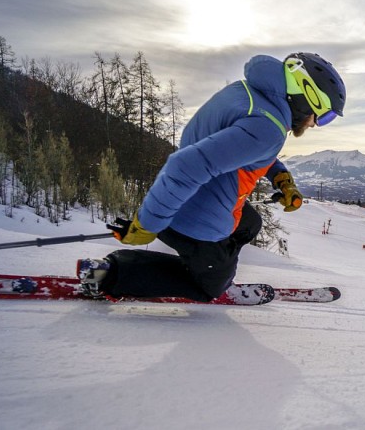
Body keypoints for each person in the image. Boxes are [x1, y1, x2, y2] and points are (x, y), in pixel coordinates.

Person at [77, 52, 346, 302]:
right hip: (196, 219)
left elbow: (237, 146)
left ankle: (212, 264)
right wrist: (148, 223)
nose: (315, 124)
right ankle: (108, 274)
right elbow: (186, 165)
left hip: (189, 200)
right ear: (308, 96)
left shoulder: (249, 93)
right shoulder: (269, 127)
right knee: (209, 287)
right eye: (324, 116)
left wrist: (282, 179)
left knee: (250, 224)